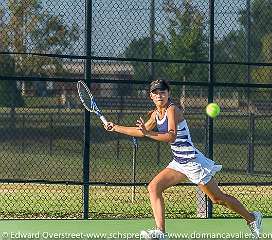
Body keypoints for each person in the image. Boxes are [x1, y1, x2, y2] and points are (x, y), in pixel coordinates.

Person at [104, 79, 262, 240]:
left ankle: (252, 218)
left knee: (217, 199)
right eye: (156, 93)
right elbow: (140, 131)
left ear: (168, 94)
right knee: (153, 188)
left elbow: (171, 136)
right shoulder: (154, 114)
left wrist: (147, 133)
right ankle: (160, 232)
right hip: (179, 162)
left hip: (192, 162)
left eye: (163, 92)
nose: (160, 95)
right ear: (151, 96)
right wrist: (115, 127)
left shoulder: (172, 110)